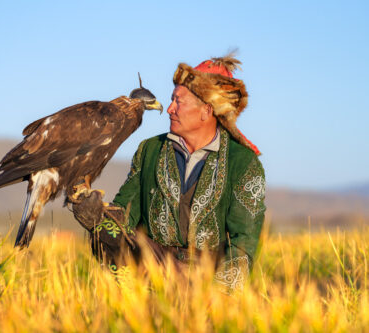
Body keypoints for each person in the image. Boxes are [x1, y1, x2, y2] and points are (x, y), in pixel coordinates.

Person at [71, 52, 266, 293]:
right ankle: (135, 301)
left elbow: (243, 243)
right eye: (171, 100)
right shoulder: (150, 150)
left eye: (178, 102)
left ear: (206, 110)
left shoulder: (243, 162)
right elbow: (124, 214)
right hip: (152, 267)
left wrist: (217, 297)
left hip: (208, 277)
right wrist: (96, 217)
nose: (169, 109)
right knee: (106, 234)